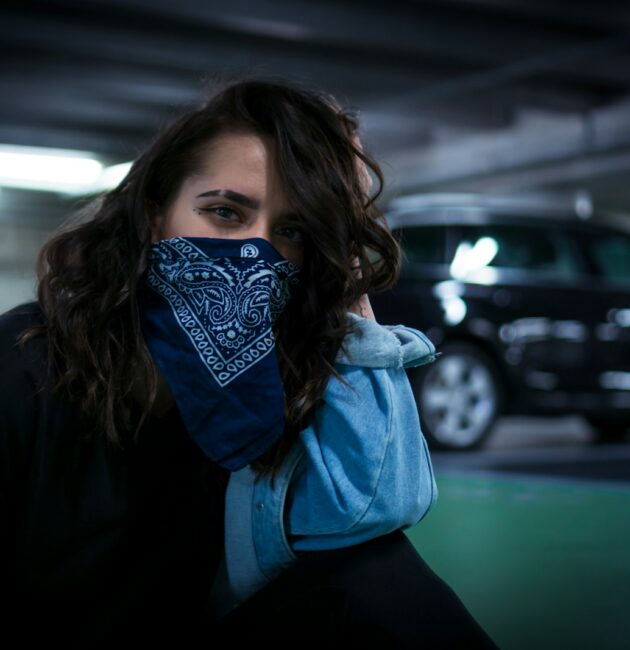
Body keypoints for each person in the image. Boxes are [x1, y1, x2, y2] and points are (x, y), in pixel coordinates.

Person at [0, 75, 498, 648]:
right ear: (156, 215)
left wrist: (351, 303)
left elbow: (380, 507)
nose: (257, 253)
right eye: (225, 213)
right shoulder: (22, 370)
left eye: (290, 230)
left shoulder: (267, 381)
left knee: (374, 572)